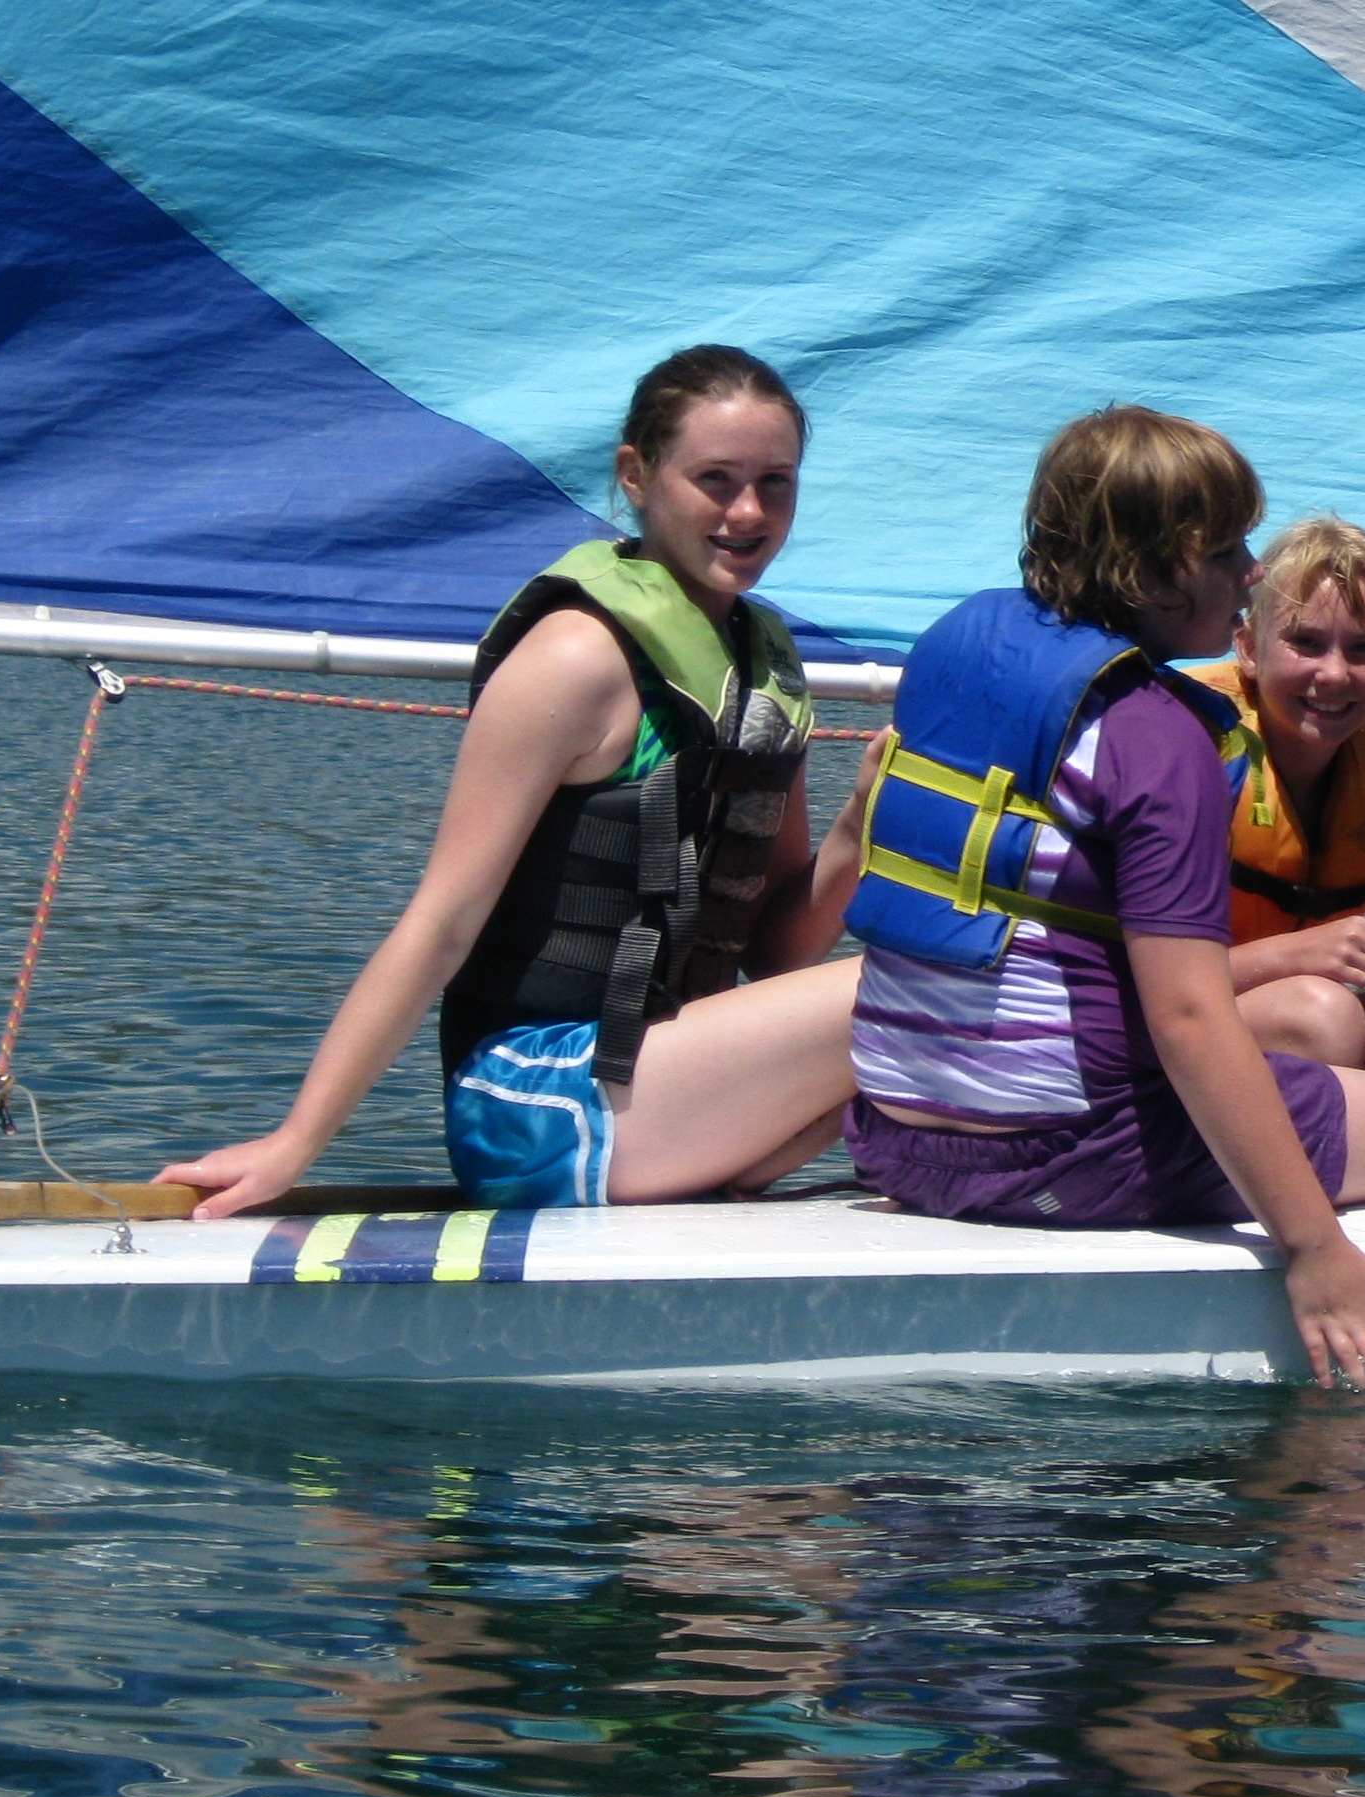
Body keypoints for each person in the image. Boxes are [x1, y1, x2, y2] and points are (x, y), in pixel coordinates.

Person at [839, 406, 1365, 1388]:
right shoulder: (1159, 731)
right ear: (1157, 568)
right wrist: (1312, 1250)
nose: (1250, 571)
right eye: (1226, 549)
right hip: (1060, 1156)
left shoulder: (953, 645)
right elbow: (1185, 1017)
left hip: (894, 1135)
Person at [161, 346, 860, 1218]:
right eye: (715, 479)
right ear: (635, 477)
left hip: (659, 1093)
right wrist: (295, 1144)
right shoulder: (574, 660)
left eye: (777, 483)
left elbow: (774, 953)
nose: (749, 512)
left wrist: (862, 828)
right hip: (529, 1103)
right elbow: (442, 921)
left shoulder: (759, 673)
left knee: (960, 979)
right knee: (917, 994)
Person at [1197, 515, 1365, 1080]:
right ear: (1249, 649)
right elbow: (1115, 973)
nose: (1334, 674)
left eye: (1364, 649)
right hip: (1133, 1025)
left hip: (1245, 1005)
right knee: (1320, 1015)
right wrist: (1291, 956)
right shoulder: (1189, 744)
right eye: (1306, 642)